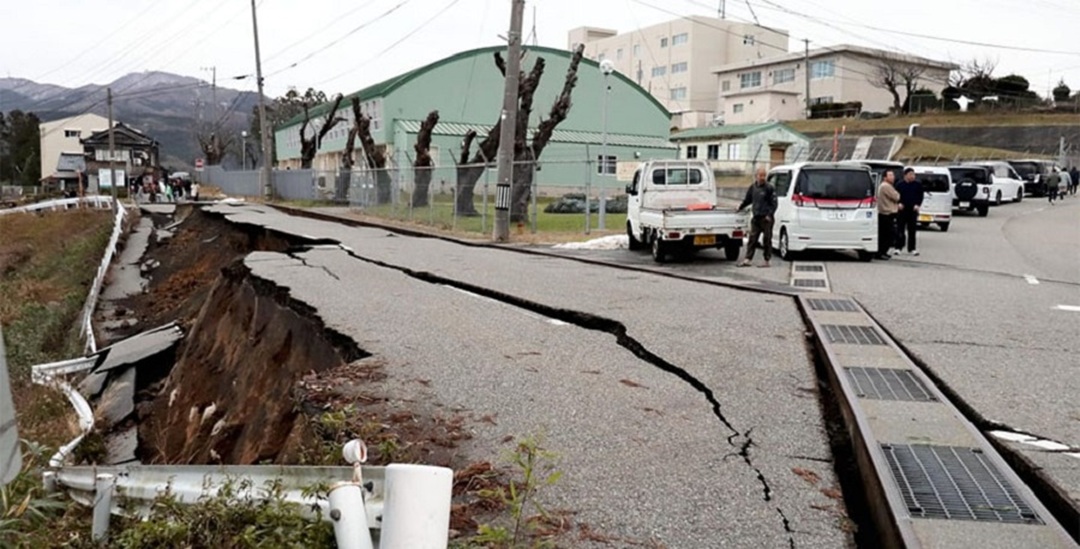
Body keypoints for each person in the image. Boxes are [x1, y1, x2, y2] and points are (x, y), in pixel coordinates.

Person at [736, 168, 778, 268]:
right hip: (756, 217)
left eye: (764, 175)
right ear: (756, 176)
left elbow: (774, 203)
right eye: (761, 175)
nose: (762, 178)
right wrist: (740, 207)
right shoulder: (753, 188)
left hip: (766, 218)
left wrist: (769, 215)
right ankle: (748, 259)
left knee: (767, 239)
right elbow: (748, 200)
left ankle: (767, 260)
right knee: (752, 239)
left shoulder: (769, 188)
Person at [894, 167, 924, 256]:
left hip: (913, 210)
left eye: (913, 174)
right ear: (905, 175)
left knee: (912, 230)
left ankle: (912, 248)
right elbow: (895, 195)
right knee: (900, 229)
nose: (912, 176)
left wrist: (918, 204)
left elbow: (920, 196)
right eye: (910, 174)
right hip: (902, 210)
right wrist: (898, 203)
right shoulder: (899, 184)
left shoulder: (917, 185)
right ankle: (898, 247)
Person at [875, 169, 901, 260]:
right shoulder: (886, 186)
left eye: (893, 175)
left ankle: (882, 252)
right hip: (887, 213)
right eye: (890, 175)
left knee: (885, 234)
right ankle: (881, 252)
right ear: (885, 177)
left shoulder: (885, 186)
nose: (893, 177)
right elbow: (897, 197)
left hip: (885, 213)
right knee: (887, 235)